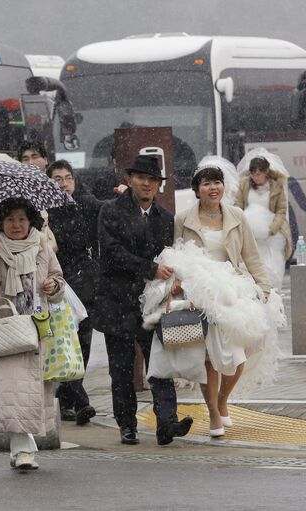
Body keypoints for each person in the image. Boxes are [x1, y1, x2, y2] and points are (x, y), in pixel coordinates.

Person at [93, 155, 193, 446]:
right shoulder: (110, 212)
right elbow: (111, 252)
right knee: (121, 369)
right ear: (129, 180)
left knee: (160, 364)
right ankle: (127, 425)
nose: (146, 183)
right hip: (117, 301)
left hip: (153, 304)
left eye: (152, 179)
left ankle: (167, 423)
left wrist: (175, 281)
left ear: (159, 185)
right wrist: (149, 268)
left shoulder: (165, 218)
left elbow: (170, 256)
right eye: (140, 178)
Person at [0, 198, 65, 470]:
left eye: (21, 219)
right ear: (1, 222)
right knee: (12, 389)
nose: (16, 225)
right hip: (4, 328)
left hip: (36, 327)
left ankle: (22, 447)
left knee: (29, 390)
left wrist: (52, 285)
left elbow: (59, 281)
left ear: (30, 220)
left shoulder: (42, 246)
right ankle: (23, 450)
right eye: (10, 219)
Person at [173, 166, 272, 437]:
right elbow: (175, 255)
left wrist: (263, 287)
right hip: (200, 292)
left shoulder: (237, 216)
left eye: (217, 182)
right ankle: (214, 414)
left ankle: (222, 399)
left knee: (239, 354)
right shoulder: (183, 218)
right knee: (209, 358)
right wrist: (177, 283)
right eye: (206, 183)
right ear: (197, 189)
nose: (212, 187)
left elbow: (251, 255)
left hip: (232, 290)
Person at [45, 160, 101, 425]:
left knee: (83, 342)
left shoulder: (85, 205)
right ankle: (79, 400)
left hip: (84, 281)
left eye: (68, 178)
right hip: (56, 283)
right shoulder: (43, 212)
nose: (64, 184)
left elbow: (106, 209)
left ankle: (69, 398)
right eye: (57, 179)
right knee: (64, 341)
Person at [234, 155, 292, 290]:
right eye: (253, 174)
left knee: (273, 265)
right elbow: (238, 205)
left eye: (258, 174)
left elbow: (281, 210)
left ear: (266, 172)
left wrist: (273, 228)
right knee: (253, 265)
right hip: (250, 234)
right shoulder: (244, 185)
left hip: (272, 234)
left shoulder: (277, 186)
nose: (255, 177)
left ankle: (272, 289)